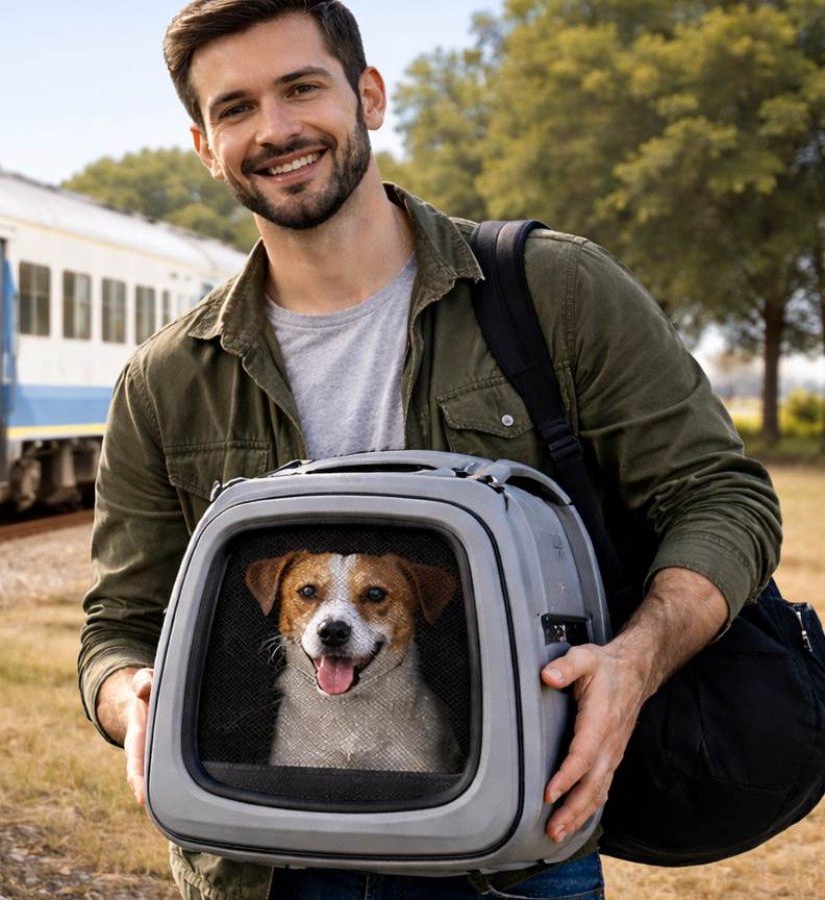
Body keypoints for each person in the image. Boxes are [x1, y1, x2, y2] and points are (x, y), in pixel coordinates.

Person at [76, 2, 783, 898]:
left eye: (302, 88)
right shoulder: (166, 379)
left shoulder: (553, 291)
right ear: (205, 146)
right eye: (236, 108)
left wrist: (634, 661)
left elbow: (722, 499)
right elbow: (118, 626)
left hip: (514, 852)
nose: (277, 129)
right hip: (265, 864)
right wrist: (130, 698)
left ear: (368, 95)